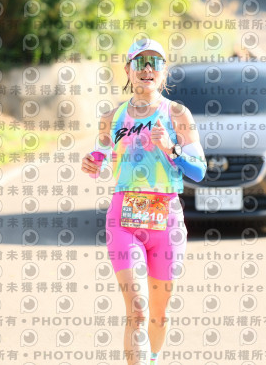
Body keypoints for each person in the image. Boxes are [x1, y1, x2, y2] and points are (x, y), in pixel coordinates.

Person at [81, 38, 207, 365]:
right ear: (128, 70)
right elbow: (102, 160)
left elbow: (199, 171)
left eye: (155, 63)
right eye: (140, 62)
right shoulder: (111, 118)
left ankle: (151, 359)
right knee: (138, 310)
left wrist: (171, 149)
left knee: (159, 315)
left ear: (164, 72)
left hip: (167, 223)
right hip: (124, 221)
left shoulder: (178, 115)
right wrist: (93, 164)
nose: (147, 68)